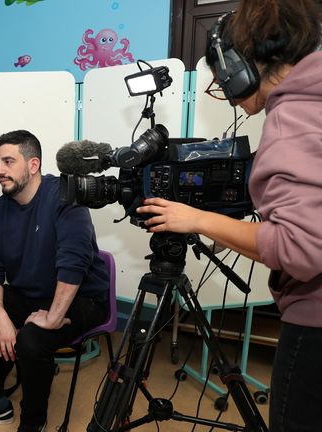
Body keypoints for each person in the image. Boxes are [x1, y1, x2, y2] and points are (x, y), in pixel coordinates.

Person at [136, 1, 322, 430]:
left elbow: (299, 246)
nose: (223, 90)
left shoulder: (291, 116)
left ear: (242, 67)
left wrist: (197, 219)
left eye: (221, 81)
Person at [0, 130, 110, 432]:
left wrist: (52, 318)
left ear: (33, 165)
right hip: (28, 294)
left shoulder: (65, 199)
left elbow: (73, 264)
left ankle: (33, 423)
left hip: (81, 299)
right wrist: (0, 316)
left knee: (31, 340)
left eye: (8, 161)